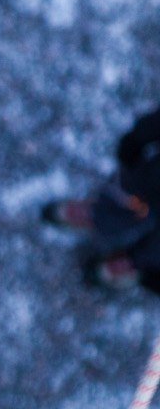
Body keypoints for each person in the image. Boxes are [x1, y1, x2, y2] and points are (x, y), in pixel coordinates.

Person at [42, 104, 160, 290]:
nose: (78, 213)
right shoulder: (127, 237)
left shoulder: (119, 185)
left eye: (72, 210)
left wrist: (138, 137)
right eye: (72, 217)